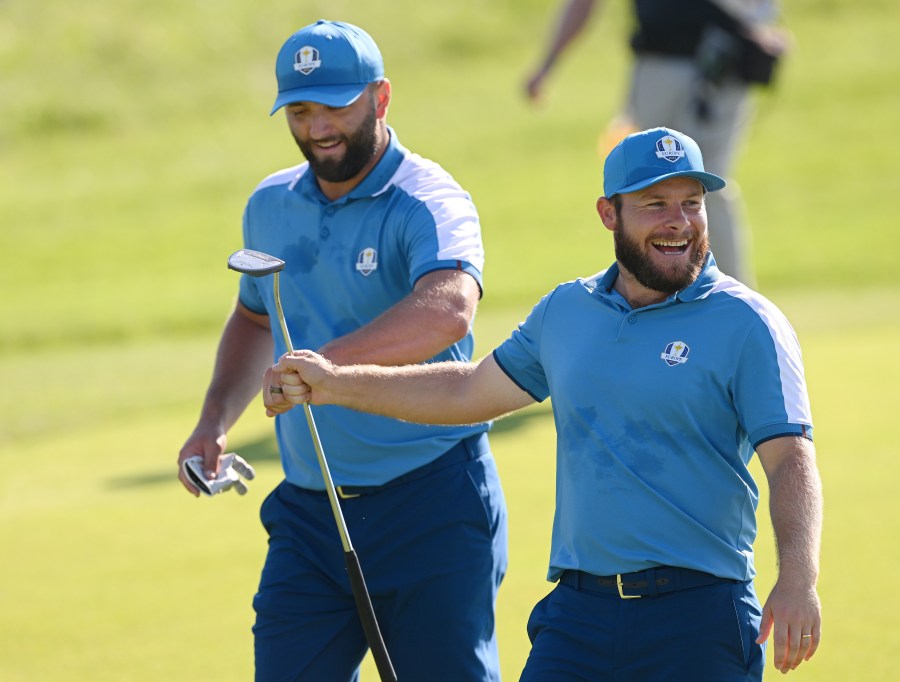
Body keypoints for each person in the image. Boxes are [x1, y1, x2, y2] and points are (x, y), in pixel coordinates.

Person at [272, 127, 824, 680]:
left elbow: (789, 459)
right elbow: (467, 390)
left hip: (698, 615)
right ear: (610, 214)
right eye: (655, 204)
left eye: (691, 204)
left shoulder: (748, 323)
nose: (678, 221)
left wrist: (798, 578)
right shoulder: (567, 310)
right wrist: (333, 381)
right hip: (580, 617)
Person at [177, 20, 508, 682]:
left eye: (337, 105)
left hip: (431, 504)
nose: (319, 126)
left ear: (380, 99)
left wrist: (324, 369)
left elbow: (446, 309)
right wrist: (212, 424)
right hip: (310, 511)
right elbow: (254, 318)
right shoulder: (269, 204)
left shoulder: (428, 199)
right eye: (301, 110)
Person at [524, 0, 790, 287]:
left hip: (718, 60)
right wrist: (547, 65)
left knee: (706, 184)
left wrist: (761, 22)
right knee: (645, 182)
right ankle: (652, 291)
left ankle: (734, 300)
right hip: (654, 65)